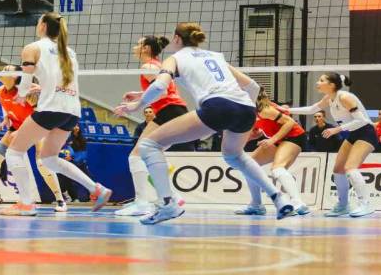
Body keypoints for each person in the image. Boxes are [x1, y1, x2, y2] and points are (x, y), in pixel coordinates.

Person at [115, 22, 294, 224]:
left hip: (216, 106)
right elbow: (253, 87)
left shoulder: (175, 58)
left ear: (177, 39)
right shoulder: (216, 56)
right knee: (235, 156)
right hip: (245, 108)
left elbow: (159, 87)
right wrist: (249, 117)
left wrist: (136, 106)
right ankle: (279, 198)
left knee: (148, 145)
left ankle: (168, 204)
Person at [2, 12, 112, 216]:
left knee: (14, 152)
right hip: (72, 111)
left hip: (51, 108)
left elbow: (26, 80)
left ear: (43, 26)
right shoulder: (70, 52)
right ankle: (97, 189)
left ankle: (26, 204)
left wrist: (22, 95)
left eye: (38, 22)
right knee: (50, 159)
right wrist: (43, 88)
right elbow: (62, 81)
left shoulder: (33, 48)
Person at [0, 64, 67, 211]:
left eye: (6, 70)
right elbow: (6, 105)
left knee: (43, 164)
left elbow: (39, 116)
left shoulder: (27, 93)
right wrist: (6, 117)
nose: (1, 71)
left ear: (15, 76)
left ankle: (60, 200)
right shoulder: (0, 90)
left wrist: (23, 131)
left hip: (37, 128)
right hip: (15, 128)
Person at [117, 35, 190, 217]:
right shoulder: (157, 65)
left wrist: (136, 104)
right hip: (174, 110)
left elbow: (162, 92)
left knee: (136, 156)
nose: (135, 47)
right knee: (149, 155)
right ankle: (172, 197)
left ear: (147, 48)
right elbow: (160, 89)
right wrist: (138, 94)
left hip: (169, 111)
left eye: (139, 44)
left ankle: (142, 203)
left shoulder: (148, 66)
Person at [289, 73, 376, 217]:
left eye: (321, 80)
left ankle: (365, 204)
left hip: (366, 132)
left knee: (350, 168)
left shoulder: (345, 97)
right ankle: (343, 205)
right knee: (338, 170)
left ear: (331, 85)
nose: (317, 83)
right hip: (352, 134)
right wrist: (286, 110)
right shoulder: (329, 98)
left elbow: (361, 121)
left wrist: (337, 129)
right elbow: (311, 109)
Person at [240, 88, 310, 216]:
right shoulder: (251, 111)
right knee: (247, 165)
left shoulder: (265, 110)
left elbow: (289, 122)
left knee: (278, 168)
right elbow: (257, 131)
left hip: (294, 136)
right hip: (278, 139)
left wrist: (271, 140)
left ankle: (298, 203)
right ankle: (256, 204)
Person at [58, 125, 90, 202]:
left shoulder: (82, 139)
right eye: (74, 126)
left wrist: (73, 157)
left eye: (77, 126)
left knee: (87, 179)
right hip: (69, 162)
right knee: (67, 180)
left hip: (80, 162)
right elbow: (66, 148)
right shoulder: (68, 137)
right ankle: (73, 197)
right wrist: (67, 156)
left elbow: (83, 152)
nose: (76, 127)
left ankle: (91, 196)